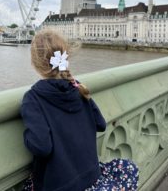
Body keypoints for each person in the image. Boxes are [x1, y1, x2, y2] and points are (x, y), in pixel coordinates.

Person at [20, 29, 139, 191]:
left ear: (35, 63)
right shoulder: (77, 87)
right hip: (91, 178)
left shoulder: (32, 98)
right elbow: (101, 124)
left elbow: (42, 146)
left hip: (59, 185)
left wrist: (27, 134)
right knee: (128, 167)